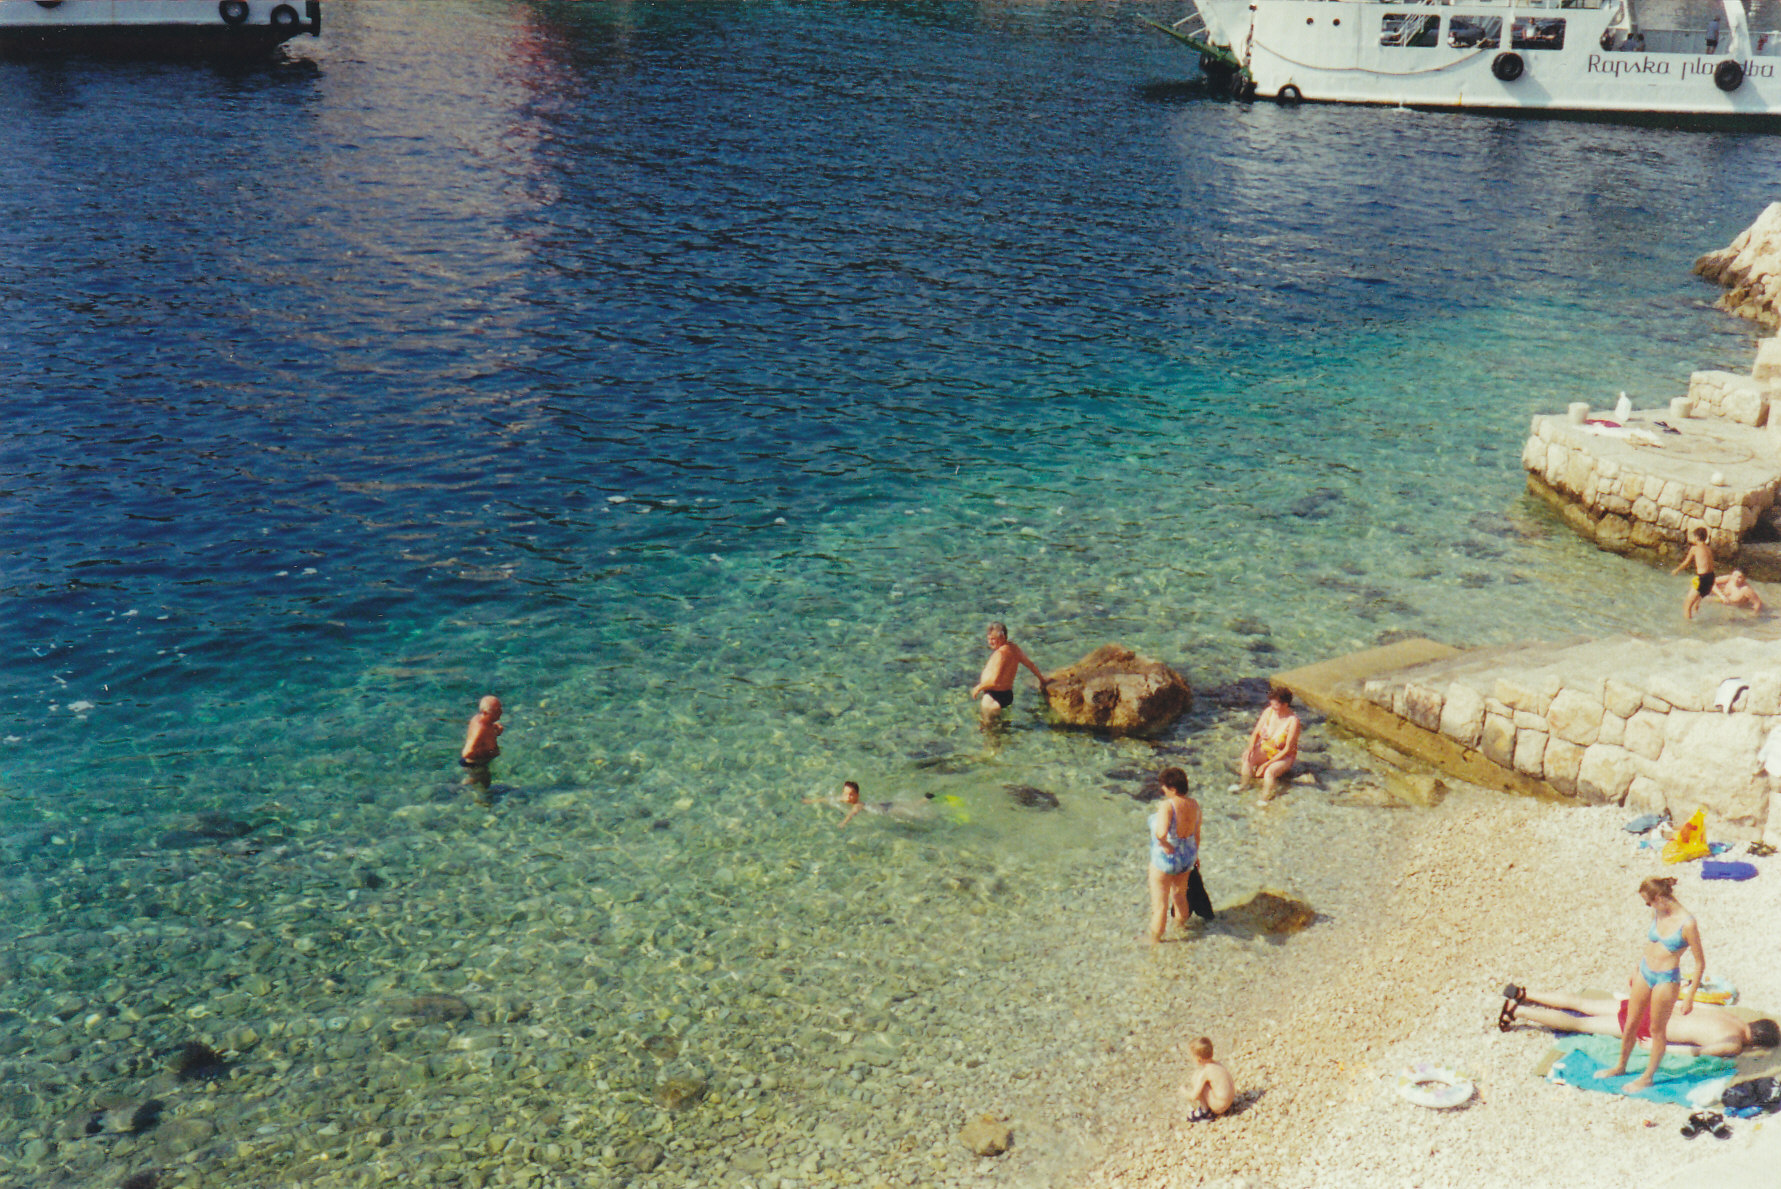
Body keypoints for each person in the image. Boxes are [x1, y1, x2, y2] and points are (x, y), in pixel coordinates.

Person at [1596, 876, 1705, 1093]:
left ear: (1660, 898)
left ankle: (1647, 1077)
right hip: (1646, 972)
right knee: (1630, 1022)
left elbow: (1700, 961)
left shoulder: (1687, 923)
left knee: (1657, 1030)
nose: (1648, 906)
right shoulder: (1659, 912)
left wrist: (1690, 995)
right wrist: (1636, 967)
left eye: (1648, 902)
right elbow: (1652, 944)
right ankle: (1620, 1065)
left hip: (1666, 979)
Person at [1499, 986, 1777, 1057]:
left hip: (1652, 1006)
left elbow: (1689, 1003)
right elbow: (1697, 1051)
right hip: (1650, 1026)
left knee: (1582, 1005)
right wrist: (1660, 1048)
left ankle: (1524, 992)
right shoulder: (1735, 1045)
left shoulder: (1732, 1016)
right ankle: (1517, 1012)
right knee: (1580, 1024)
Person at [1147, 767, 1202, 944]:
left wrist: (1164, 845)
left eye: (1164, 787)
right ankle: (1181, 928)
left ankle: (1155, 941)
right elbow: (1196, 833)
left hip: (1167, 859)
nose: (1163, 790)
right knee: (1179, 896)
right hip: (1187, 856)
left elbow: (1161, 833)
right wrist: (1196, 856)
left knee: (1160, 904)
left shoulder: (1167, 805)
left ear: (1172, 789)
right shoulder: (1194, 804)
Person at [970, 622, 1047, 718]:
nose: (990, 642)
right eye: (989, 639)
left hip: (994, 696)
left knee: (987, 728)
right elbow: (1030, 665)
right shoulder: (1014, 648)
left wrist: (978, 688)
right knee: (1003, 726)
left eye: (993, 639)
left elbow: (994, 681)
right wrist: (1042, 680)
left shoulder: (1001, 654)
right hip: (1007, 695)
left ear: (1002, 637)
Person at [1239, 687, 1301, 805]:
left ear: (1285, 705)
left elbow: (1288, 749)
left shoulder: (1293, 721)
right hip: (1266, 748)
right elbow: (1255, 733)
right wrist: (1250, 748)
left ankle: (1264, 798)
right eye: (1272, 705)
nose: (1273, 709)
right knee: (1247, 758)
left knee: (1269, 772)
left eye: (1276, 706)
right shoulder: (1269, 712)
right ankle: (1243, 785)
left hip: (1283, 756)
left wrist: (1266, 765)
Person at [805, 780, 933, 828]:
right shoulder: (843, 798)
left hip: (886, 811)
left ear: (857, 795)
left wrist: (843, 823)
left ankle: (927, 804)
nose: (848, 797)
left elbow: (852, 814)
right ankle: (926, 798)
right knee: (910, 805)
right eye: (845, 794)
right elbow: (828, 798)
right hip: (883, 804)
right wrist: (812, 801)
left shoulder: (858, 805)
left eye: (851, 795)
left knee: (913, 811)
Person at [1182, 1036, 1236, 1121]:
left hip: (1220, 1106)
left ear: (1199, 1059)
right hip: (1230, 1100)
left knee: (1195, 1078)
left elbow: (1193, 1096)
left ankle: (1205, 1112)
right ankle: (1210, 1108)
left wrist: (1184, 1091)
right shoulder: (1217, 1064)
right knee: (1198, 1075)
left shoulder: (1206, 1072)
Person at [460, 695, 503, 795]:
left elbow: (487, 731)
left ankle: (463, 787)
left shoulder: (480, 719)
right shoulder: (480, 729)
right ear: (485, 712)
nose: (500, 713)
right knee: (484, 783)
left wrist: (495, 728)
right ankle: (482, 803)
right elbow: (467, 751)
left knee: (476, 779)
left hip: (479, 761)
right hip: (475, 763)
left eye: (500, 709)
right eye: (496, 711)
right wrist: (478, 760)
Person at [1670, 526, 1715, 620]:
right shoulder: (1708, 549)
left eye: (1694, 537)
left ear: (1697, 538)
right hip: (1711, 578)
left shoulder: (1694, 549)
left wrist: (1676, 570)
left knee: (1686, 606)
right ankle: (1697, 615)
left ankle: (1688, 629)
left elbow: (1686, 563)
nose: (1693, 539)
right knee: (1695, 602)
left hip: (1703, 579)